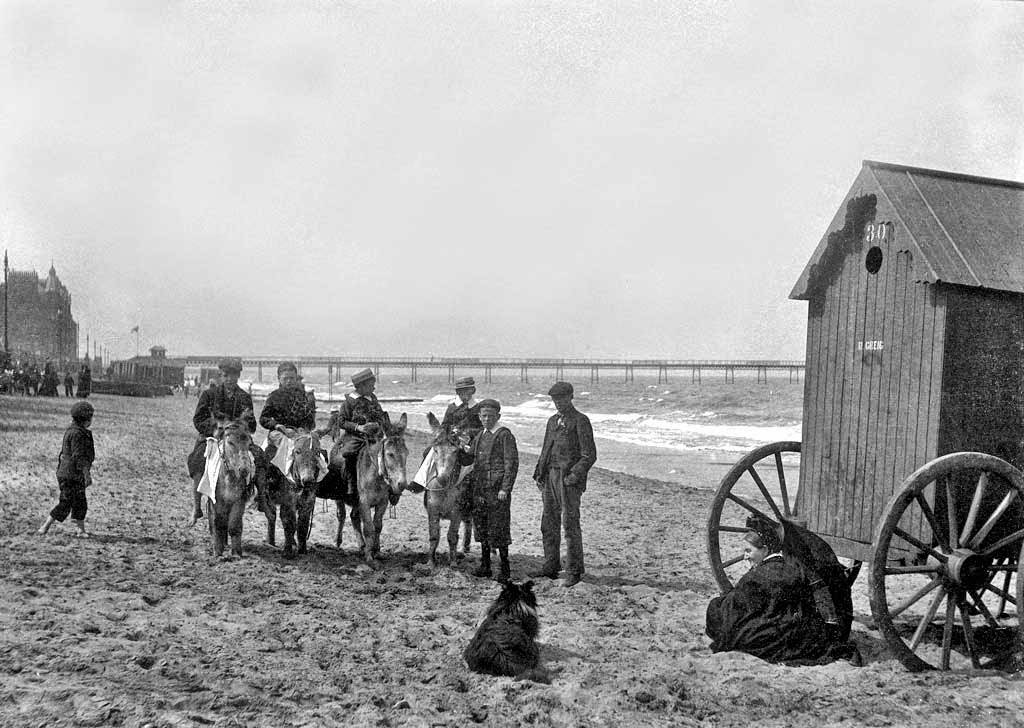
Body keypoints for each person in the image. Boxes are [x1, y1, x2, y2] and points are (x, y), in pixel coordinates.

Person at [705, 517, 838, 663]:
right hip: (793, 627)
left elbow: (737, 607)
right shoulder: (787, 568)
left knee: (717, 609)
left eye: (749, 551)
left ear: (766, 550)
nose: (745, 556)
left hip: (776, 629)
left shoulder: (759, 575)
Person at [532, 382, 597, 587]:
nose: (558, 403)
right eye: (555, 400)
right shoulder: (552, 421)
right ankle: (551, 565)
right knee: (548, 523)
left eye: (562, 398)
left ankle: (574, 570)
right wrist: (539, 474)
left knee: (570, 524)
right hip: (550, 476)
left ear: (571, 397)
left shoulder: (580, 421)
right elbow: (545, 449)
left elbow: (589, 455)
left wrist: (575, 475)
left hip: (568, 479)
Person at [187, 358, 261, 526]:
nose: (229, 379)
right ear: (220, 375)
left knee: (259, 459)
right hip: (213, 437)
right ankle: (196, 506)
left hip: (237, 440)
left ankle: (261, 497)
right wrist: (214, 428)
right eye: (226, 375)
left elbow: (253, 425)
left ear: (238, 376)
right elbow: (198, 419)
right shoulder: (209, 395)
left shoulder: (244, 397)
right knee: (198, 460)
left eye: (233, 376)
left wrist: (242, 426)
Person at [458, 399, 519, 581]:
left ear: (498, 416)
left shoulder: (504, 435)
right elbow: (470, 456)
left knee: (499, 529)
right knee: (482, 527)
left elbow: (512, 464)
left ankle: (505, 569)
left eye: (490, 416)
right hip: (480, 489)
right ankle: (485, 565)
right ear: (479, 417)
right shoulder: (482, 435)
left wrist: (505, 489)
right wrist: (461, 447)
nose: (486, 419)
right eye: (483, 416)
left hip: (497, 490)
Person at [411, 376, 482, 491]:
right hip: (450, 441)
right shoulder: (452, 407)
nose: (465, 394)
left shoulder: (477, 408)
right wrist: (446, 432)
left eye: (468, 390)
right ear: (458, 392)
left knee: (473, 461)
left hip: (468, 441)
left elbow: (481, 428)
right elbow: (444, 425)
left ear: (472, 391)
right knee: (428, 452)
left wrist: (466, 432)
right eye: (462, 391)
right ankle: (420, 481)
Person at [38, 401, 96, 537]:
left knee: (79, 501)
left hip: (67, 473)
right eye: (90, 417)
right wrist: (86, 474)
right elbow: (78, 457)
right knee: (66, 502)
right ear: (86, 419)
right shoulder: (78, 434)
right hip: (72, 474)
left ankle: (80, 530)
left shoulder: (73, 431)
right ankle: (45, 526)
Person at [336, 368, 391, 498]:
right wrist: (359, 428)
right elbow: (341, 421)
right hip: (355, 436)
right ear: (361, 386)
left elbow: (381, 415)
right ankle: (351, 483)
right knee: (349, 453)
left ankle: (390, 485)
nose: (374, 388)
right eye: (371, 385)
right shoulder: (349, 401)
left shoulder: (372, 398)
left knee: (390, 452)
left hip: (376, 436)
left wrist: (378, 424)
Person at [259, 361, 318, 464]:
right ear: (279, 379)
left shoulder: (302, 396)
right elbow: (263, 419)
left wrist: (304, 428)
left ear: (296, 378)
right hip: (279, 432)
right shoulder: (274, 396)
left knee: (315, 450)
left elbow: (310, 420)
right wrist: (278, 426)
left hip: (299, 432)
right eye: (285, 379)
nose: (289, 381)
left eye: (292, 378)